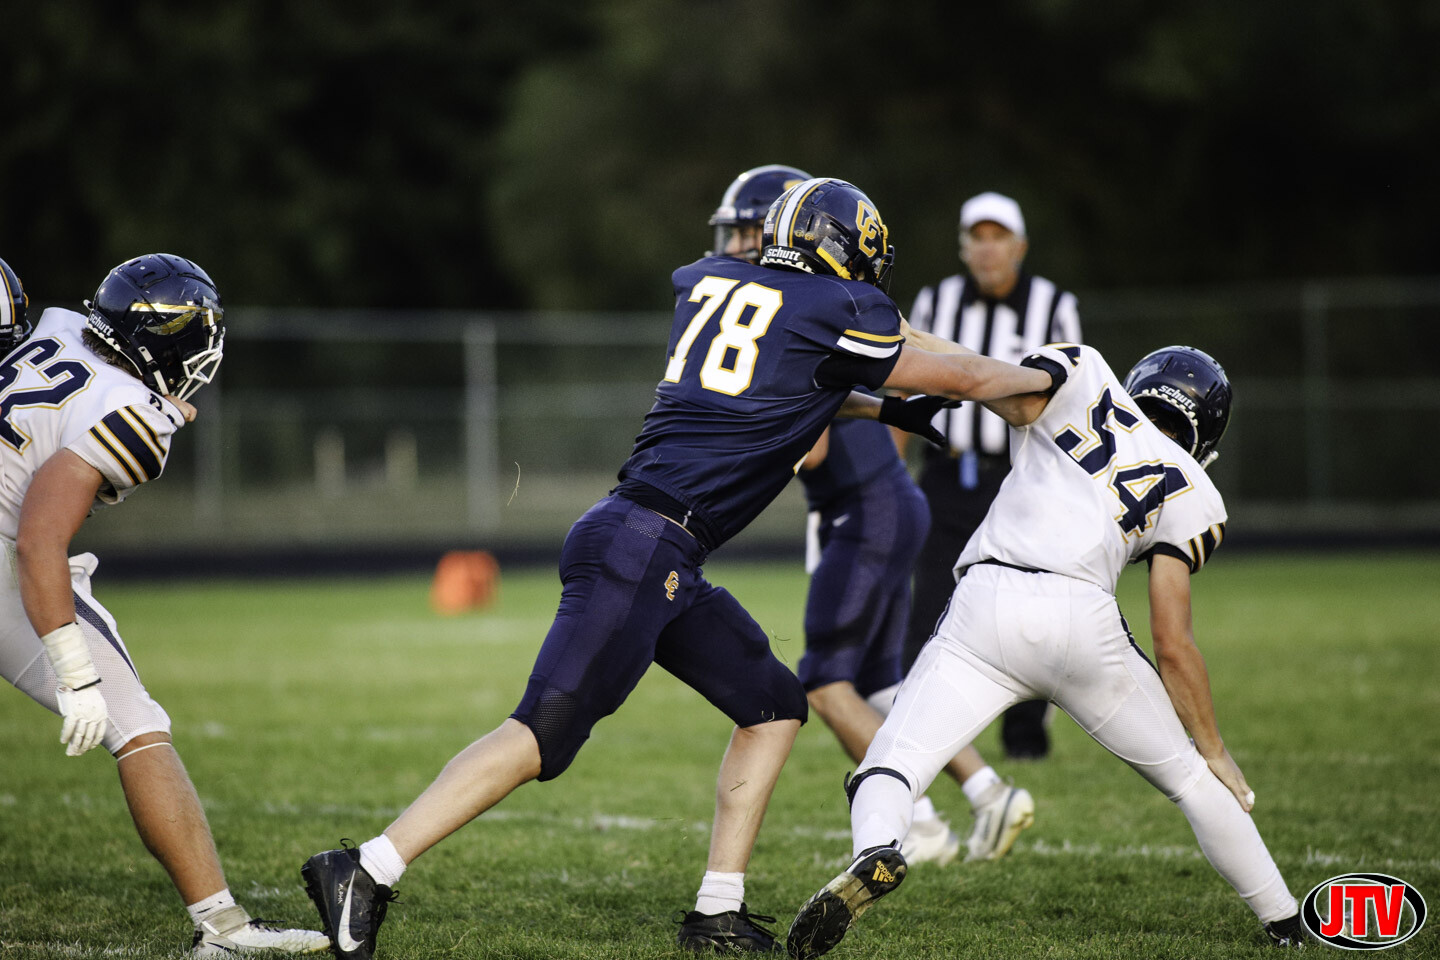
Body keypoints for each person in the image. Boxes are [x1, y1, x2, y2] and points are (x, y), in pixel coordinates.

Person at [301, 178, 1060, 958]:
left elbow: (785, 391)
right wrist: (1050, 381)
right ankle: (368, 866)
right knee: (544, 732)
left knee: (774, 704)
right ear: (845, 252)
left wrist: (883, 406)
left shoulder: (711, 282)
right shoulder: (836, 306)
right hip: (645, 545)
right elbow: (965, 378)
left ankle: (717, 913)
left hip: (651, 544)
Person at [787, 342, 1307, 958]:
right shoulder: (1196, 488)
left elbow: (981, 379)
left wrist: (909, 345)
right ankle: (1285, 920)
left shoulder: (1084, 373)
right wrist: (1213, 749)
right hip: (1086, 622)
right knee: (1194, 781)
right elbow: (1172, 642)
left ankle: (875, 850)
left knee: (891, 764)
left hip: (990, 602)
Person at [0, 254, 330, 956]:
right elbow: (37, 540)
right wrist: (74, 673)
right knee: (138, 727)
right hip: (8, 562)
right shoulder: (136, 415)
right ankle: (222, 930)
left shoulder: (53, 327)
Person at [712, 166, 1033, 867]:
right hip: (890, 502)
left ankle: (917, 822)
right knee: (884, 683)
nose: (735, 245)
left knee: (825, 685)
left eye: (743, 231)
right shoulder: (816, 304)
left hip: (864, 512)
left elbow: (811, 444)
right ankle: (988, 792)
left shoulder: (794, 308)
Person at [901, 191, 1082, 760]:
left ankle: (1025, 738)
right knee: (930, 603)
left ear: (1019, 247)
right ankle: (925, 736)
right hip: (944, 473)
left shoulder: (1054, 305)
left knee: (1026, 606)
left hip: (1020, 476)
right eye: (976, 237)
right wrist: (892, 474)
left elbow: (1070, 398)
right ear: (962, 247)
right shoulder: (934, 302)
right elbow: (904, 387)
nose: (986, 249)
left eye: (997, 237)